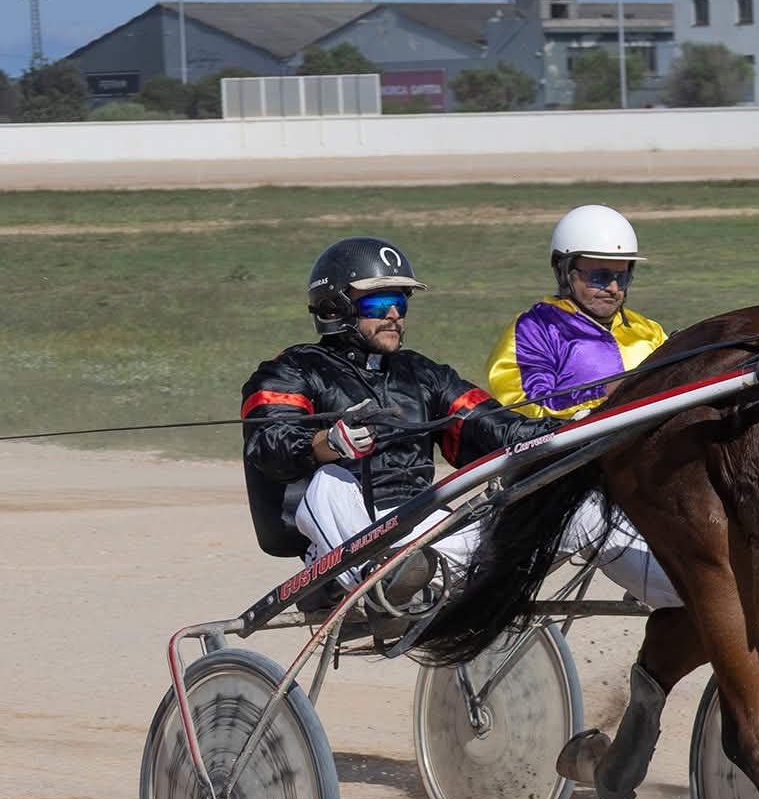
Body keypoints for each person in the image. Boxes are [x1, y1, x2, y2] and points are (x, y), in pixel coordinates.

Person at [241, 236, 679, 621]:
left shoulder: (424, 375)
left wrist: (577, 428)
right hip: (339, 539)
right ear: (335, 308)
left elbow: (495, 430)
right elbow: (269, 442)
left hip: (426, 537)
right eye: (379, 303)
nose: (395, 314)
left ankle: (684, 596)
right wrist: (325, 443)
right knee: (328, 482)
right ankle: (376, 581)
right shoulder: (293, 369)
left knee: (584, 511)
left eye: (402, 302)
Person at [486, 205, 667, 419]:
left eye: (622, 277)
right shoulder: (534, 330)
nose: (613, 288)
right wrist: (606, 392)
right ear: (564, 273)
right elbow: (525, 409)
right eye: (599, 277)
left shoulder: (650, 331)